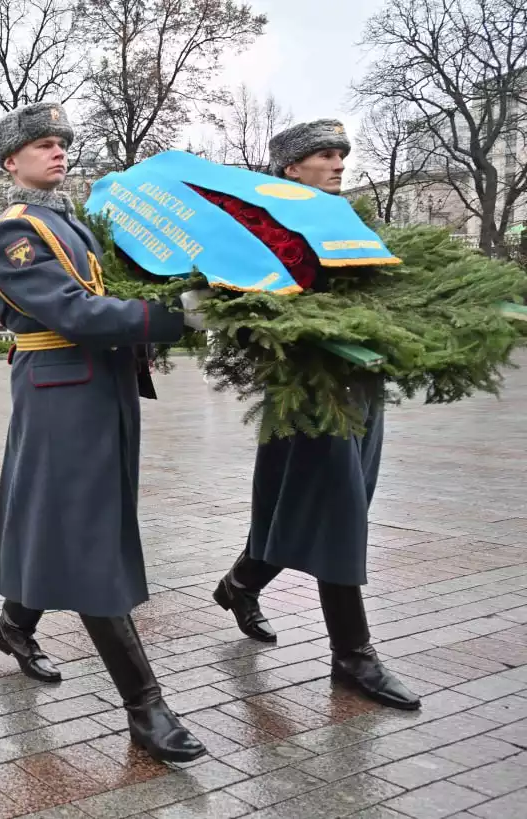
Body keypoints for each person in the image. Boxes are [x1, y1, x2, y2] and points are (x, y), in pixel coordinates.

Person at [0, 102, 210, 762]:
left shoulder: (72, 223)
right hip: (62, 392)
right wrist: (170, 317)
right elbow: (74, 310)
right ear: (11, 162)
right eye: (43, 145)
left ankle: (14, 624)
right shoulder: (17, 233)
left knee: (69, 521)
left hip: (94, 389)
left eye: (62, 143)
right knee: (87, 543)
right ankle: (146, 708)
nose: (58, 152)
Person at [211, 120, 420, 711]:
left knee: (313, 506)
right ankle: (353, 655)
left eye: (341, 154)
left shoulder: (353, 224)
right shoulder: (270, 230)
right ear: (291, 169)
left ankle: (240, 584)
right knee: (336, 512)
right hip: (308, 390)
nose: (337, 163)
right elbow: (253, 308)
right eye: (324, 155)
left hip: (359, 389)